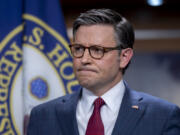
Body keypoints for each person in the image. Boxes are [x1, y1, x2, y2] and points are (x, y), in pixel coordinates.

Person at [27, 8, 180, 135]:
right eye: (79, 49)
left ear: (124, 57)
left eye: (97, 50)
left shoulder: (162, 116)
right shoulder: (43, 116)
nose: (84, 59)